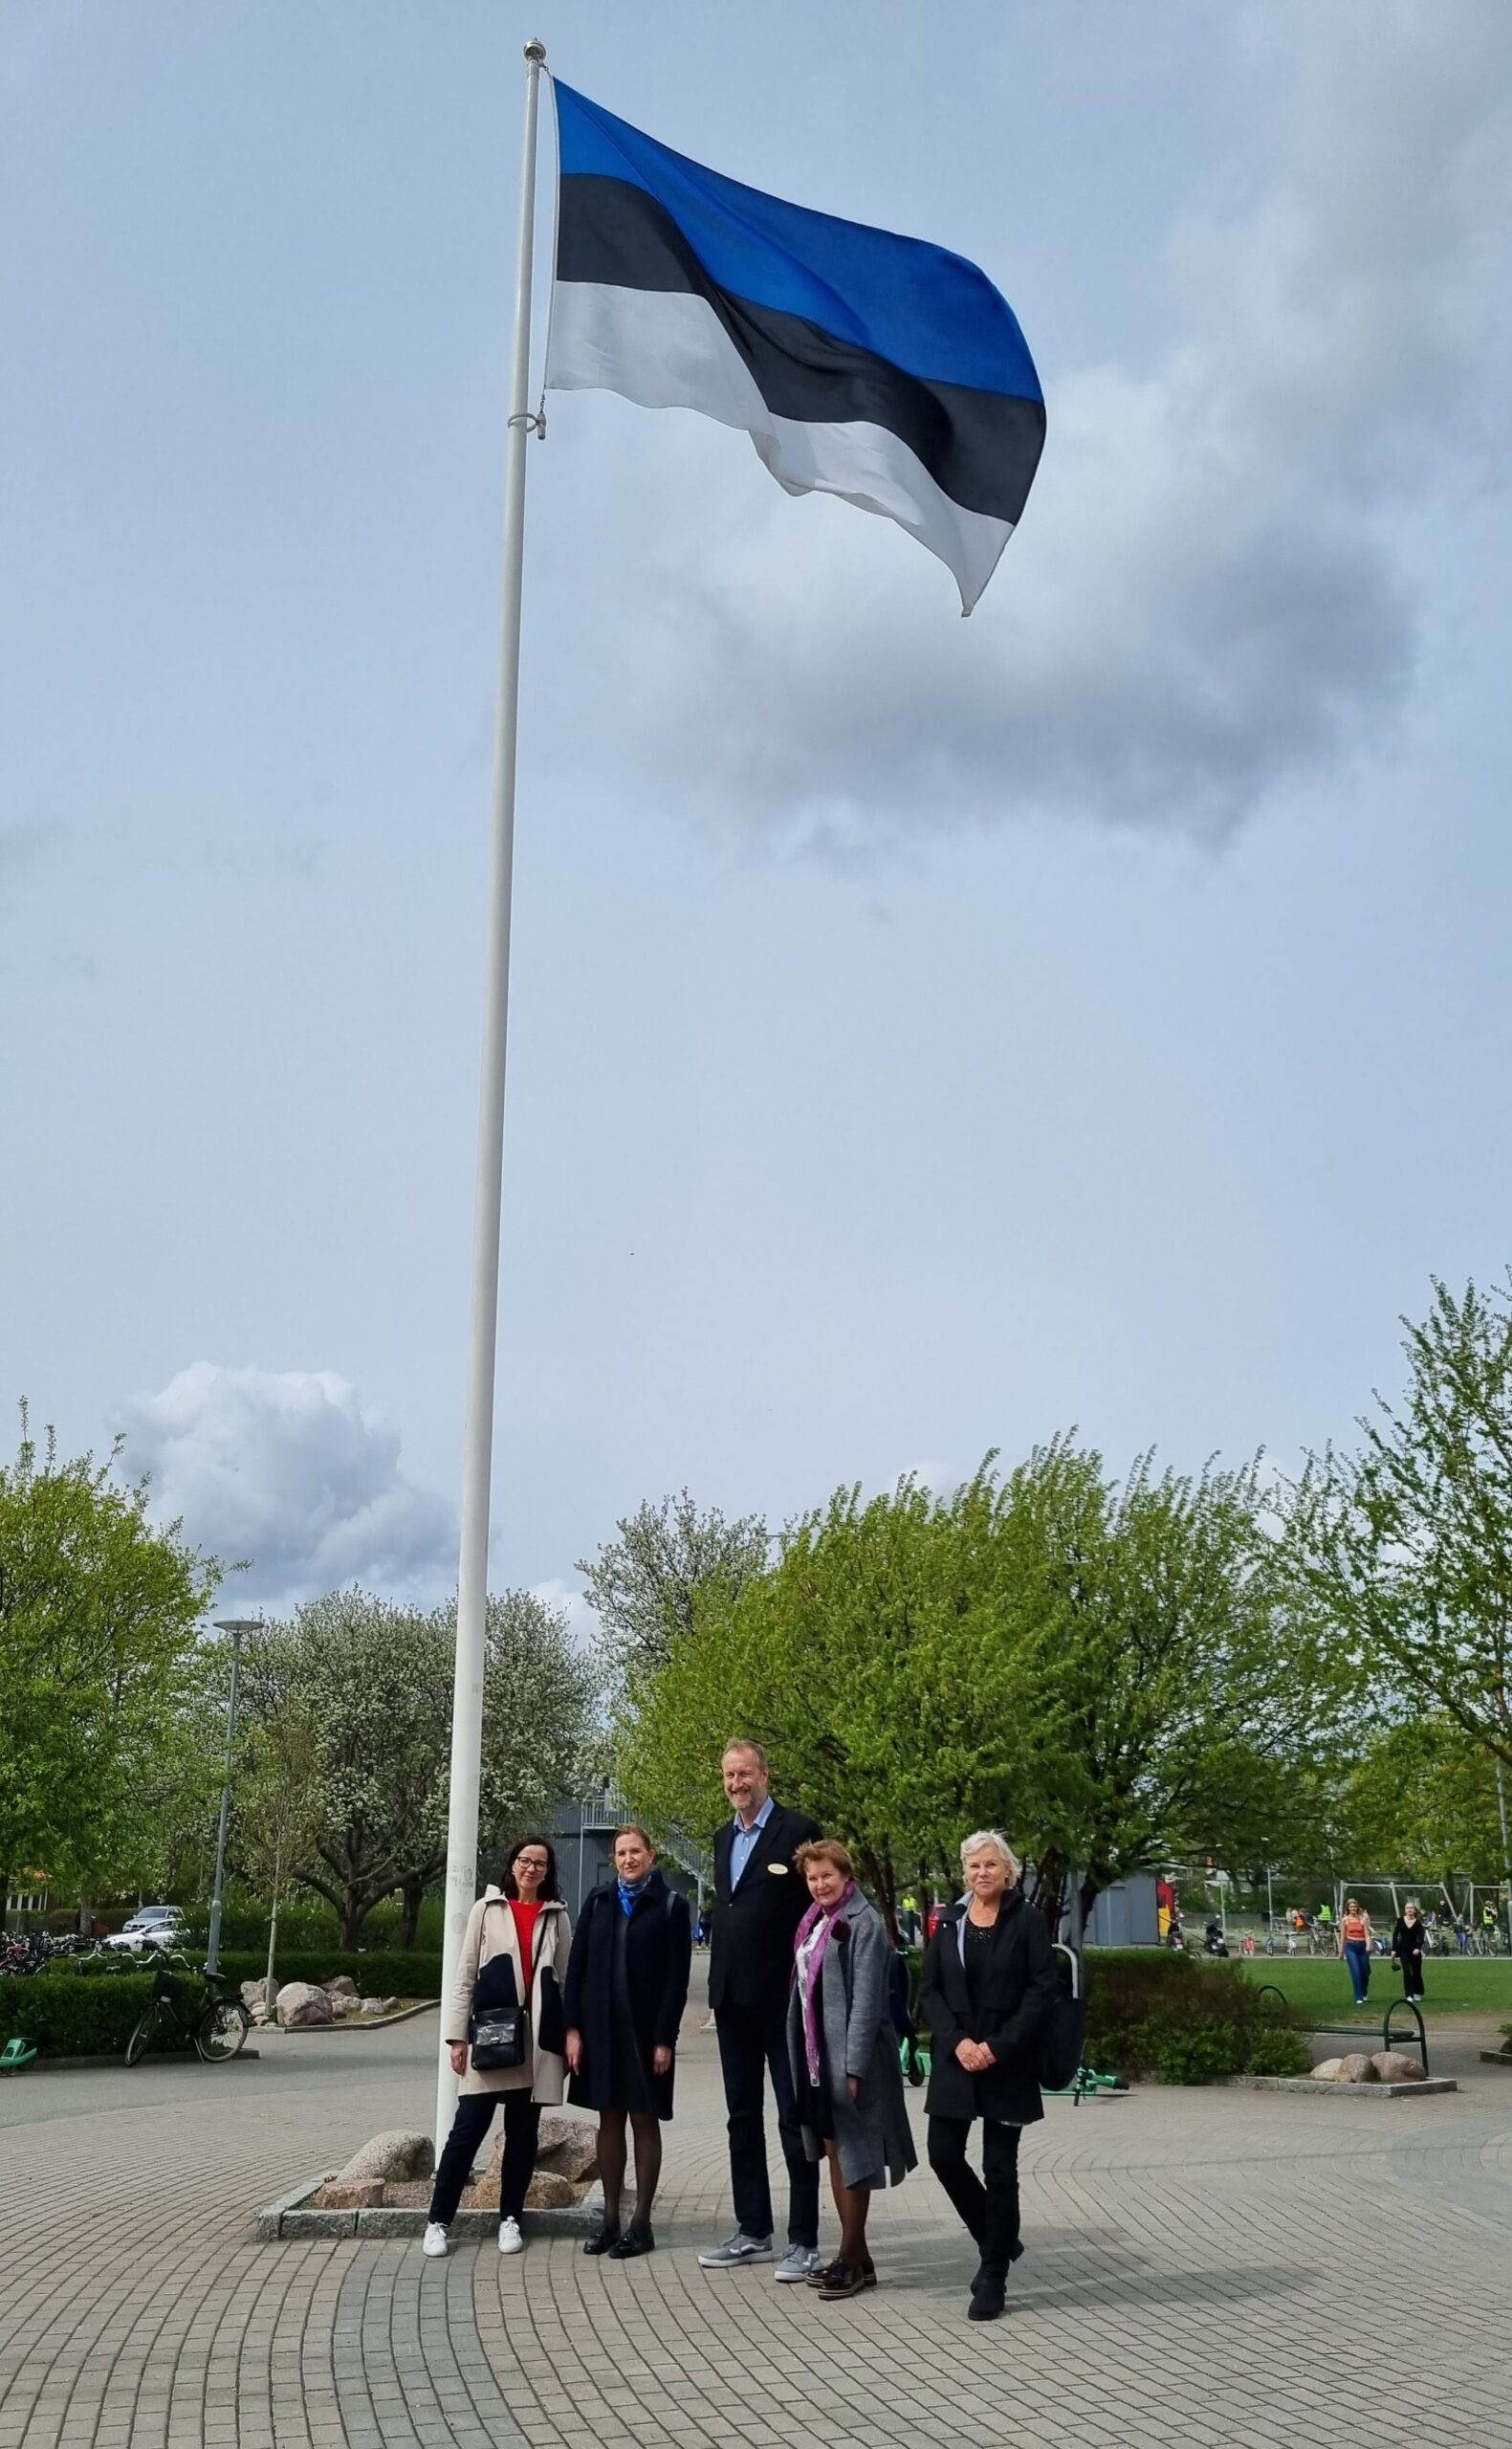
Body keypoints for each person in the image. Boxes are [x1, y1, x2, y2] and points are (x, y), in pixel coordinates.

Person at [919, 1830, 1056, 2324]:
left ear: (1008, 1871)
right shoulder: (949, 1920)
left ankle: (993, 2271)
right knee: (943, 2156)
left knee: (1000, 2170)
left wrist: (997, 2048)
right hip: (957, 2056)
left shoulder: (1028, 1920)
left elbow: (1042, 1991)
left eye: (991, 1866)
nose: (982, 1874)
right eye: (974, 1866)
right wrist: (958, 2041)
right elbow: (930, 1989)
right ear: (965, 1872)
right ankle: (998, 2239)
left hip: (1006, 2061)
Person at [698, 1740, 822, 2281]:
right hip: (731, 2001)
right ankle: (753, 2231)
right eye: (729, 1775)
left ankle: (805, 2240)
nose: (736, 1783)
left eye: (744, 1773)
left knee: (795, 2118)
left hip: (784, 2001)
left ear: (764, 1775)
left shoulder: (797, 1831)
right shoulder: (724, 1836)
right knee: (741, 2119)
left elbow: (821, 1905)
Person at [423, 1835, 572, 2259]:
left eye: (541, 1864)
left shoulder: (556, 1916)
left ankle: (511, 2218)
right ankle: (438, 2222)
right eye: (525, 1861)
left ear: (549, 1871)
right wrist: (456, 2037)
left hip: (536, 2045)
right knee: (466, 2133)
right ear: (512, 1864)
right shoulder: (486, 1910)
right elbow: (465, 1976)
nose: (532, 1869)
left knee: (523, 2137)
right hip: (490, 2037)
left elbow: (565, 1981)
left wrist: (565, 2040)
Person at [783, 1840, 916, 2301]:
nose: (820, 1885)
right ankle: (858, 2259)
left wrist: (854, 2067)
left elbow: (866, 2003)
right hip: (818, 2053)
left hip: (851, 2058)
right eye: (813, 1878)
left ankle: (848, 2259)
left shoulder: (864, 1923)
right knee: (833, 2148)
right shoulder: (815, 1921)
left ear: (846, 1876)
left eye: (827, 1876)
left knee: (854, 2154)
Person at [563, 1824, 693, 2260]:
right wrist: (574, 2029)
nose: (628, 1859)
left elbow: (677, 1980)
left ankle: (641, 2224)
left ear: (651, 1856)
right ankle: (610, 2221)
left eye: (636, 1851)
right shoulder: (598, 1901)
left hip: (645, 2036)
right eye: (621, 1852)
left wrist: (664, 2038)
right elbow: (576, 1969)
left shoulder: (672, 1905)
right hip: (601, 2032)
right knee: (609, 2121)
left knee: (644, 2119)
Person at [1338, 1896, 1373, 2004]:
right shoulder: (1345, 1920)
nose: (1353, 1908)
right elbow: (1342, 1937)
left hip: (1362, 1947)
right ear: (1348, 1908)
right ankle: (1359, 1996)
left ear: (1357, 1908)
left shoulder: (1362, 1919)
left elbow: (1367, 1934)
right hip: (1351, 1947)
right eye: (1351, 1906)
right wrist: (1341, 1951)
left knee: (1365, 1972)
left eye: (1354, 1906)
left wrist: (1368, 1945)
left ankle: (1364, 1992)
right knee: (1356, 1971)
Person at [1391, 1900, 1426, 2001]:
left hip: (1415, 1950)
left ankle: (1417, 1992)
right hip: (1403, 1950)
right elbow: (1395, 1935)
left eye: (1411, 1908)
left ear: (1415, 1910)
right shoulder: (1400, 1921)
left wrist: (1418, 1948)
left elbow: (1421, 1937)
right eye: (1407, 1908)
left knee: (1416, 1972)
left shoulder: (1418, 1923)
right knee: (1407, 1971)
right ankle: (1409, 1994)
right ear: (1405, 1910)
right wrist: (1394, 1949)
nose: (1409, 1910)